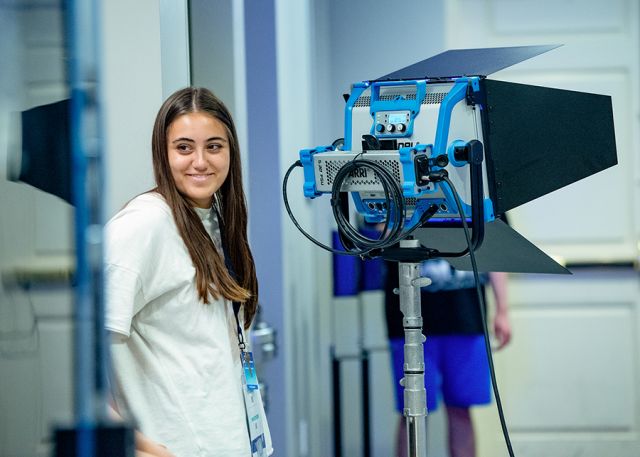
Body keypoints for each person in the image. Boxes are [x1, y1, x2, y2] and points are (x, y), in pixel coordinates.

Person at [104, 87, 273, 457]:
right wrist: (140, 447)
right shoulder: (143, 225)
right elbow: (75, 362)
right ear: (163, 154)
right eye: (183, 147)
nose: (200, 161)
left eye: (214, 146)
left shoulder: (217, 221)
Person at [384, 257, 511, 457]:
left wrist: (502, 310)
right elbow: (378, 234)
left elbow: (495, 251)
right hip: (408, 323)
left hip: (466, 317)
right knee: (412, 413)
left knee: (461, 409)